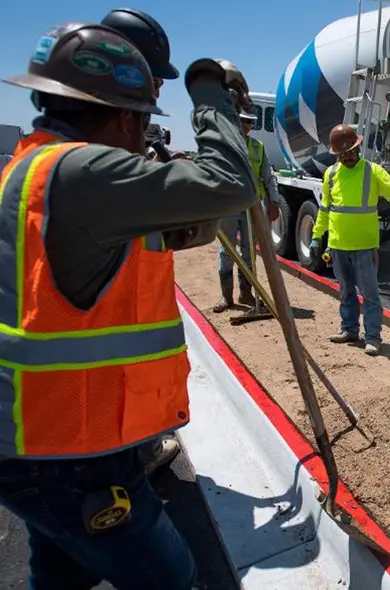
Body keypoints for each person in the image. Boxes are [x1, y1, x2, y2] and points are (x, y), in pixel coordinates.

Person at [0, 22, 256, 590]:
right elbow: (231, 184)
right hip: (70, 453)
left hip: (41, 443)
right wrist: (208, 89)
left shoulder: (35, 167)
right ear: (124, 118)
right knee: (171, 578)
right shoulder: (84, 171)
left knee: (62, 574)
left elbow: (156, 238)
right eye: (143, 122)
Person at [99, 6, 186, 477]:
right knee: (159, 555)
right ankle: (134, 450)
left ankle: (139, 444)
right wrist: (215, 104)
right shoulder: (107, 169)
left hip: (90, 401)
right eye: (156, 80)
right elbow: (220, 193)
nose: (160, 90)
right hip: (87, 433)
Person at [310, 123, 390, 356]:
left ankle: (373, 338)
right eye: (342, 154)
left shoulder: (373, 172)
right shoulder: (330, 175)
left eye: (350, 151)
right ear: (337, 154)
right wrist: (316, 236)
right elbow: (325, 210)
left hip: (365, 248)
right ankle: (349, 330)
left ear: (358, 149)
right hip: (339, 247)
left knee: (370, 295)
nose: (347, 157)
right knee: (346, 292)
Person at [213, 108, 280, 312]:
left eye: (250, 123)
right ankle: (227, 297)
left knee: (249, 251)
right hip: (230, 205)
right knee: (228, 250)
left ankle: (246, 293)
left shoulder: (258, 148)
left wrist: (273, 202)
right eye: (243, 121)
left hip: (252, 207)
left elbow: (269, 177)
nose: (246, 126)